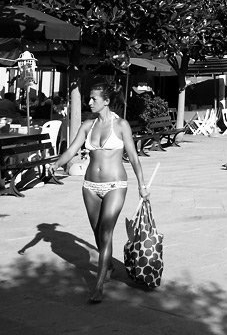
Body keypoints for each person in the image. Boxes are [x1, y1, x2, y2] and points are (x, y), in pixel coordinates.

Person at [51, 81, 149, 303]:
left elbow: (134, 157)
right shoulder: (87, 125)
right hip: (90, 187)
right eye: (89, 98)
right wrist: (56, 164)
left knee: (106, 232)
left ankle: (98, 285)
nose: (89, 102)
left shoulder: (121, 125)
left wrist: (142, 185)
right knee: (98, 232)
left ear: (106, 101)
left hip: (115, 185)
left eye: (94, 99)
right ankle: (109, 265)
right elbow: (72, 150)